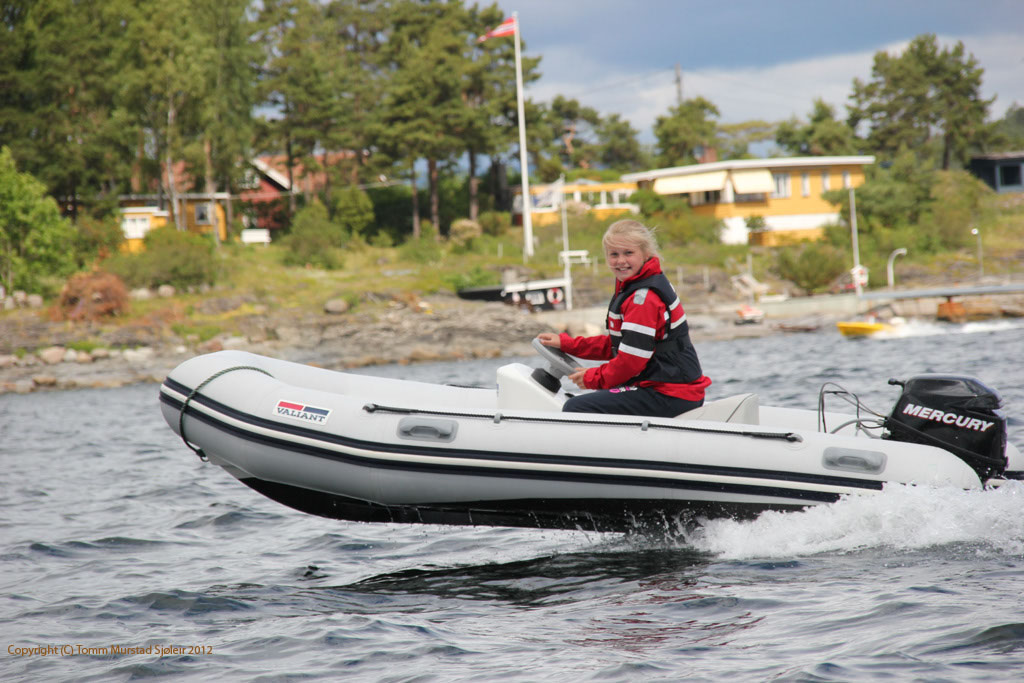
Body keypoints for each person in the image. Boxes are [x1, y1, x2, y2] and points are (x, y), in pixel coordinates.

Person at [537, 219, 711, 417]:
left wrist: (593, 378)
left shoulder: (643, 299)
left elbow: (631, 361)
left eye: (628, 253)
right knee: (593, 399)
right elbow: (619, 344)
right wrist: (567, 344)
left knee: (575, 407)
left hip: (670, 394)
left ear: (645, 253)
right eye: (614, 254)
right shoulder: (634, 287)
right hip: (665, 389)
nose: (621, 261)